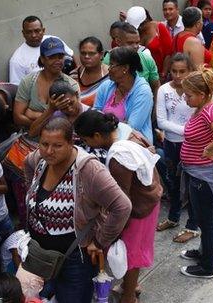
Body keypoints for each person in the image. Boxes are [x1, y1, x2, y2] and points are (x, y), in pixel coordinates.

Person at [24, 118, 132, 302]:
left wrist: (99, 242)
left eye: (57, 145)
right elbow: (27, 163)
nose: (49, 151)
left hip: (75, 261)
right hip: (43, 257)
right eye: (44, 144)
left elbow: (122, 206)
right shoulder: (39, 159)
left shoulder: (89, 169)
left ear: (70, 143)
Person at [75, 111, 162, 303]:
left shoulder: (117, 159)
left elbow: (121, 202)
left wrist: (104, 235)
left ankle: (129, 296)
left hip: (138, 211)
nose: (86, 145)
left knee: (130, 255)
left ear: (97, 136)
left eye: (86, 140)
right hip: (149, 201)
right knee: (135, 250)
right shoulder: (130, 134)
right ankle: (130, 286)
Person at [154, 54, 213, 240]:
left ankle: (192, 226)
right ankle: (173, 217)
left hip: (194, 149)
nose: (178, 75)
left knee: (194, 192)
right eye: (174, 71)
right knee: (174, 183)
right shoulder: (165, 90)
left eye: (182, 71)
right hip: (173, 144)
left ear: (190, 73)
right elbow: (162, 121)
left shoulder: (199, 93)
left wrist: (205, 139)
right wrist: (188, 130)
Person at [178, 70, 213, 279]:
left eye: (189, 95)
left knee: (208, 223)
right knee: (203, 219)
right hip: (198, 174)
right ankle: (202, 252)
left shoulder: (210, 111)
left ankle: (207, 266)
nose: (185, 98)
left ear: (202, 94)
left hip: (205, 178)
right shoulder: (204, 107)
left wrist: (211, 148)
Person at [13, 37, 80, 129]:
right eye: (52, 57)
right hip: (29, 136)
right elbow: (18, 117)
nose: (57, 61)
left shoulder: (71, 85)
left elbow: (73, 118)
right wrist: (49, 119)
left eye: (60, 57)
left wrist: (33, 114)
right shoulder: (28, 82)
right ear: (42, 59)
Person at [94, 46, 154, 143]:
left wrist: (104, 123)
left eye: (112, 65)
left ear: (125, 68)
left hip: (133, 143)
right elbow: (95, 115)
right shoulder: (105, 86)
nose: (108, 69)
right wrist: (120, 123)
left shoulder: (143, 92)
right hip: (105, 142)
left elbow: (132, 127)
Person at [8, 16, 74, 85]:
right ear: (23, 33)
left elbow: (72, 55)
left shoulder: (53, 41)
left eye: (37, 31)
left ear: (43, 31)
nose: (33, 35)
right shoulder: (17, 60)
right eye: (29, 32)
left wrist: (77, 74)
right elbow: (16, 87)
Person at [102, 23, 160, 95]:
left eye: (137, 42)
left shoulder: (147, 58)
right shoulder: (108, 60)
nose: (135, 46)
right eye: (130, 43)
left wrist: (155, 106)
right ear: (118, 42)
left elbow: (155, 86)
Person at [125, 6, 173, 79]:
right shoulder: (133, 32)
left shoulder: (159, 27)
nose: (139, 28)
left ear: (146, 19)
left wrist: (164, 73)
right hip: (141, 75)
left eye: (141, 25)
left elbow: (169, 53)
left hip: (159, 73)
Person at [68, 37, 109, 107]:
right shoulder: (73, 75)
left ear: (101, 55)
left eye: (91, 53)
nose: (86, 57)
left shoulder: (110, 76)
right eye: (83, 53)